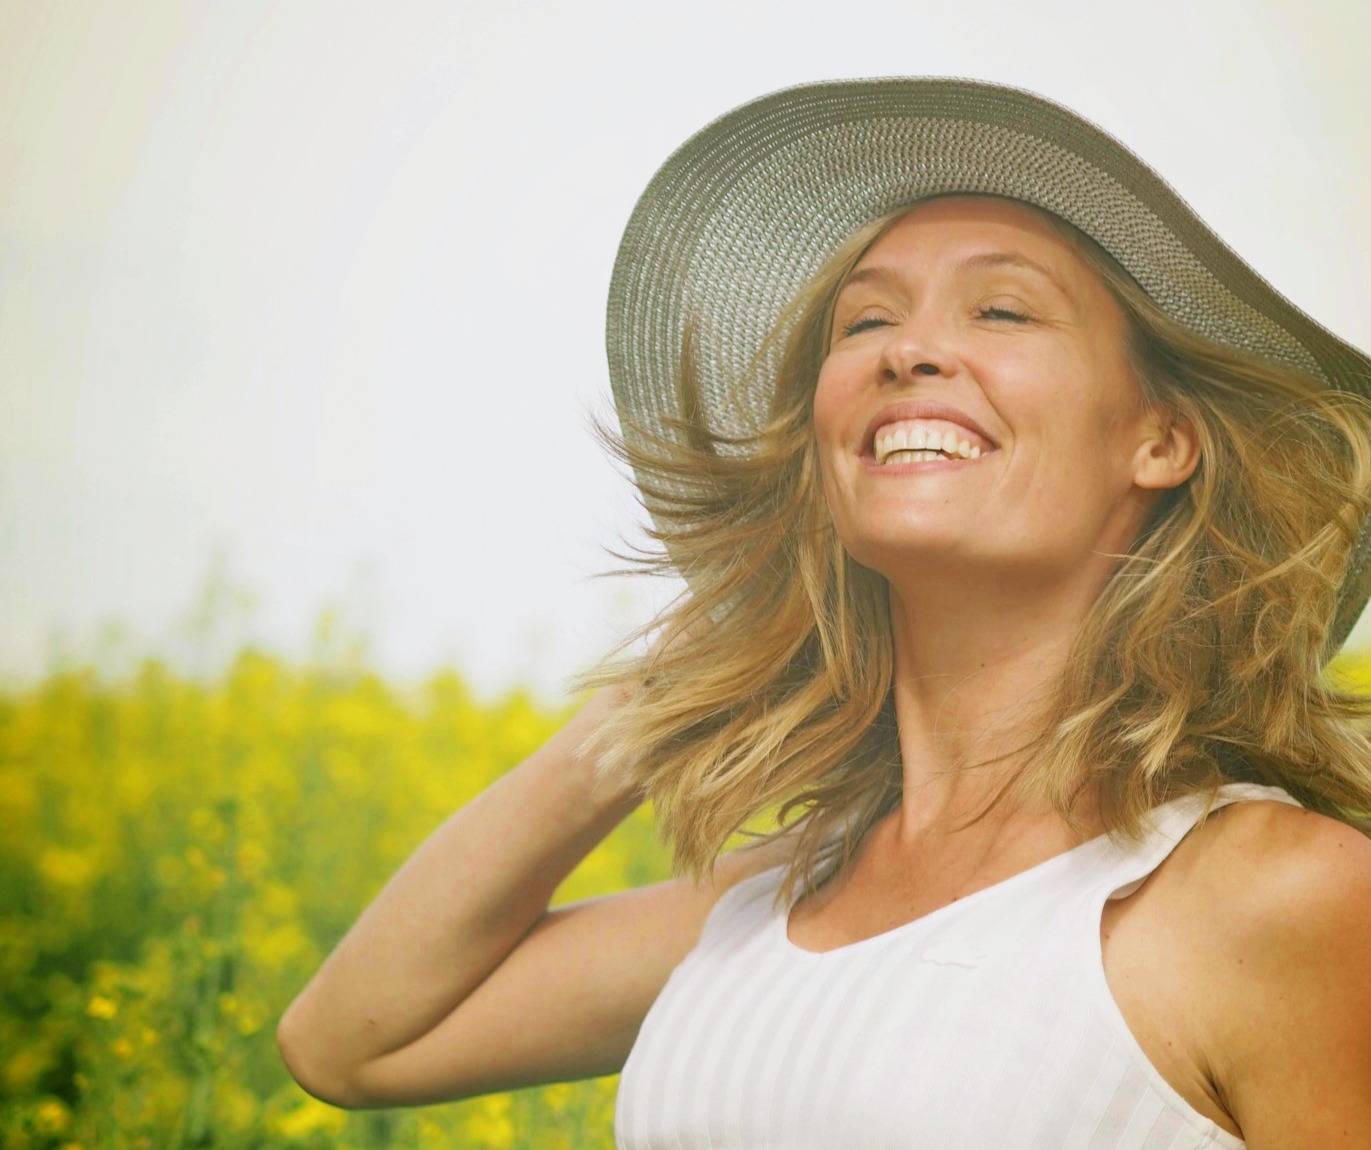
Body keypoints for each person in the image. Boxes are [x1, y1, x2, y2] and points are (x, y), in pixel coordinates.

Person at [275, 77, 1371, 1147]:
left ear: (1161, 441)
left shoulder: (1277, 893)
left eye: (1001, 308)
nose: (908, 349)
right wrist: (672, 695)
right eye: (864, 321)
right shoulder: (782, 898)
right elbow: (352, 1043)